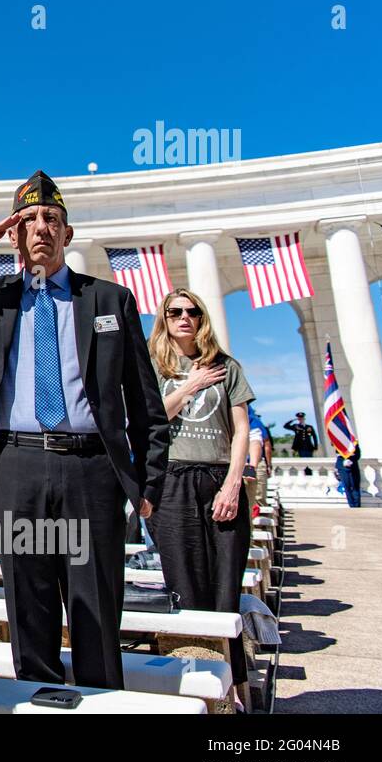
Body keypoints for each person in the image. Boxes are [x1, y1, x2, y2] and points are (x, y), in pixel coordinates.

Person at [0, 170, 169, 690]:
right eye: (28, 220)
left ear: (68, 235)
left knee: (96, 604)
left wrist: (149, 481)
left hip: (92, 469)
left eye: (52, 220)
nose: (41, 228)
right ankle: (38, 698)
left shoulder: (109, 300)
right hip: (16, 466)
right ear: (13, 235)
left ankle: (102, 697)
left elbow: (144, 399)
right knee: (29, 603)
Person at [147, 288, 255, 700]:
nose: (184, 318)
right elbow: (153, 418)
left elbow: (241, 428)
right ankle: (199, 693)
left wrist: (232, 483)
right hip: (172, 482)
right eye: (174, 312)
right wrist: (190, 384)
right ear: (164, 318)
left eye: (192, 311)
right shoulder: (155, 366)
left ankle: (238, 692)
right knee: (185, 591)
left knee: (225, 592)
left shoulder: (226, 366)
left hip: (219, 479)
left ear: (201, 318)